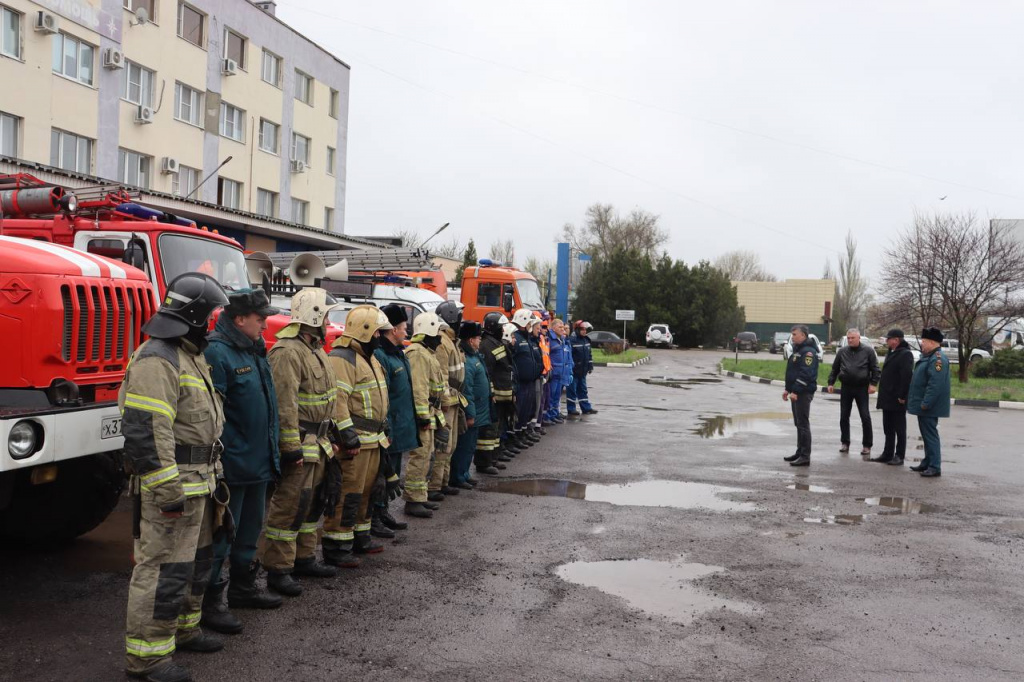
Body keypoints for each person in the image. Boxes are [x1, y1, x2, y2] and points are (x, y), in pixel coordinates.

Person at [119, 273, 228, 682]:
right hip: (175, 486)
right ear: (194, 315)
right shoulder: (156, 358)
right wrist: (167, 491)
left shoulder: (188, 353)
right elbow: (146, 432)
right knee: (162, 570)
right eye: (211, 314)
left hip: (201, 481)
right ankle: (147, 659)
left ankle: (183, 630)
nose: (215, 322)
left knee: (194, 564)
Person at [201, 289, 282, 637]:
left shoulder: (254, 349)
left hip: (258, 463)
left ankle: (243, 588)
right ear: (239, 319)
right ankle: (210, 604)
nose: (265, 324)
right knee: (221, 539)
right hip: (233, 467)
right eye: (259, 318)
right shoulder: (218, 352)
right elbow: (211, 417)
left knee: (250, 533)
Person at [262, 288, 340, 597]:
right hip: (301, 445)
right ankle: (278, 569)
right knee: (289, 507)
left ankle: (304, 557)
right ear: (315, 317)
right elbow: (285, 405)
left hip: (318, 442)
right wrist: (290, 447)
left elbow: (327, 400)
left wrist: (331, 436)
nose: (330, 320)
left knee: (312, 505)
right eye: (327, 315)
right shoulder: (287, 352)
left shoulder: (316, 349)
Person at [321, 305, 394, 567]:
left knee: (367, 491)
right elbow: (338, 401)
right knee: (348, 494)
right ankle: (337, 546)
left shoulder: (368, 356)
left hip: (373, 439)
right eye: (377, 332)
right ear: (365, 332)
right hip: (356, 442)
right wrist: (346, 436)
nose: (380, 337)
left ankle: (360, 537)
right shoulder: (343, 358)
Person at [372, 304, 416, 536]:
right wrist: (387, 427)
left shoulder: (397, 353)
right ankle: (375, 518)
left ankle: (383, 511)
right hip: (390, 428)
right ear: (392, 330)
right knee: (382, 475)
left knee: (392, 474)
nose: (406, 331)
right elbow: (383, 396)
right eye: (403, 327)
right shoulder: (381, 355)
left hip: (399, 427)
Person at [403, 312, 449, 518]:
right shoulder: (418, 354)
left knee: (427, 455)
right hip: (424, 414)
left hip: (430, 411)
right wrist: (423, 416)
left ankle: (421, 496)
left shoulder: (426, 353)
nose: (440, 336)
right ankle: (413, 500)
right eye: (438, 331)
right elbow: (419, 388)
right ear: (428, 331)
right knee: (420, 456)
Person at [431, 301, 467, 500]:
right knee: (442, 445)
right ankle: (434, 486)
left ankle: (443, 482)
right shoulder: (443, 342)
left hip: (454, 400)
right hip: (447, 402)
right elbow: (442, 375)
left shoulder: (453, 341)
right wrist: (444, 400)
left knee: (450, 445)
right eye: (459, 317)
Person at [827, 329, 880, 456]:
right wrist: (831, 382)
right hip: (846, 387)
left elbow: (875, 369)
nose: (850, 340)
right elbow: (835, 368)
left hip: (862, 388)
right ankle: (845, 442)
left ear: (859, 338)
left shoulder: (868, 351)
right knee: (844, 416)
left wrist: (873, 384)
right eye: (848, 338)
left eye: (853, 338)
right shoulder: (842, 352)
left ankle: (867, 445)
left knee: (865, 416)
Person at [451, 321, 490, 488]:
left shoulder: (475, 356)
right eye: (477, 338)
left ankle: (465, 473)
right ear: (470, 340)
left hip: (480, 409)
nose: (480, 340)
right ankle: (458, 476)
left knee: (470, 446)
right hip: (473, 411)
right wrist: (470, 413)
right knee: (464, 446)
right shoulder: (467, 359)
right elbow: (467, 390)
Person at [908, 327, 951, 478]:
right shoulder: (930, 356)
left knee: (930, 435)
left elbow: (935, 385)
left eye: (924, 342)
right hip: (925, 405)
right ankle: (927, 462)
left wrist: (926, 403)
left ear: (932, 342)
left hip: (929, 406)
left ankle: (934, 466)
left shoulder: (937, 359)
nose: (922, 344)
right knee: (926, 435)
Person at [872, 329, 915, 466]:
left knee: (899, 428)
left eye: (889, 339)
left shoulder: (905, 354)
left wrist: (903, 396)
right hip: (887, 397)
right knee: (888, 427)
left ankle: (899, 455)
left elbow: (906, 377)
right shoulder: (892, 352)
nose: (887, 341)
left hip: (897, 398)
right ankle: (887, 453)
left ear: (896, 340)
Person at [477, 313, 513, 474]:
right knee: (488, 431)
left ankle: (493, 457)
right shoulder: (486, 345)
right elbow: (488, 373)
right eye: (501, 327)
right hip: (494, 396)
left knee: (497, 429)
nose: (503, 329)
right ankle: (484, 463)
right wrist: (491, 394)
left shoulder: (495, 343)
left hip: (502, 395)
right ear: (493, 328)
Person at [783, 324, 819, 467]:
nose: (792, 337)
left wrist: (796, 391)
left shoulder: (808, 352)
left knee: (803, 424)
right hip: (795, 392)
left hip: (803, 393)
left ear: (803, 335)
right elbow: (792, 372)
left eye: (795, 334)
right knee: (798, 424)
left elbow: (806, 374)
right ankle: (799, 452)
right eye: (792, 334)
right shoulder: (798, 350)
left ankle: (805, 456)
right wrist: (788, 389)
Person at [511, 309, 542, 446]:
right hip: (521, 383)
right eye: (529, 322)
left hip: (529, 382)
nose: (531, 325)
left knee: (526, 411)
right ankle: (514, 437)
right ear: (523, 321)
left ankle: (522, 434)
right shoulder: (516, 338)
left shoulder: (525, 338)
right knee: (519, 411)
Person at [545, 319, 573, 424]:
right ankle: (548, 416)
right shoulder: (550, 340)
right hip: (554, 373)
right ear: (553, 328)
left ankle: (554, 414)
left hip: (561, 373)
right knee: (551, 397)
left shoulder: (561, 339)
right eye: (560, 327)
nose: (562, 329)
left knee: (556, 397)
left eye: (563, 327)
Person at [567, 321, 597, 416]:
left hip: (583, 371)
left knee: (583, 390)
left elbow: (589, 355)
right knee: (572, 390)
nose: (584, 331)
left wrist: (590, 366)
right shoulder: (572, 340)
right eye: (582, 329)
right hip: (574, 371)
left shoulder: (586, 340)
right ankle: (571, 409)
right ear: (577, 330)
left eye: (585, 329)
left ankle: (586, 408)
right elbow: (569, 356)